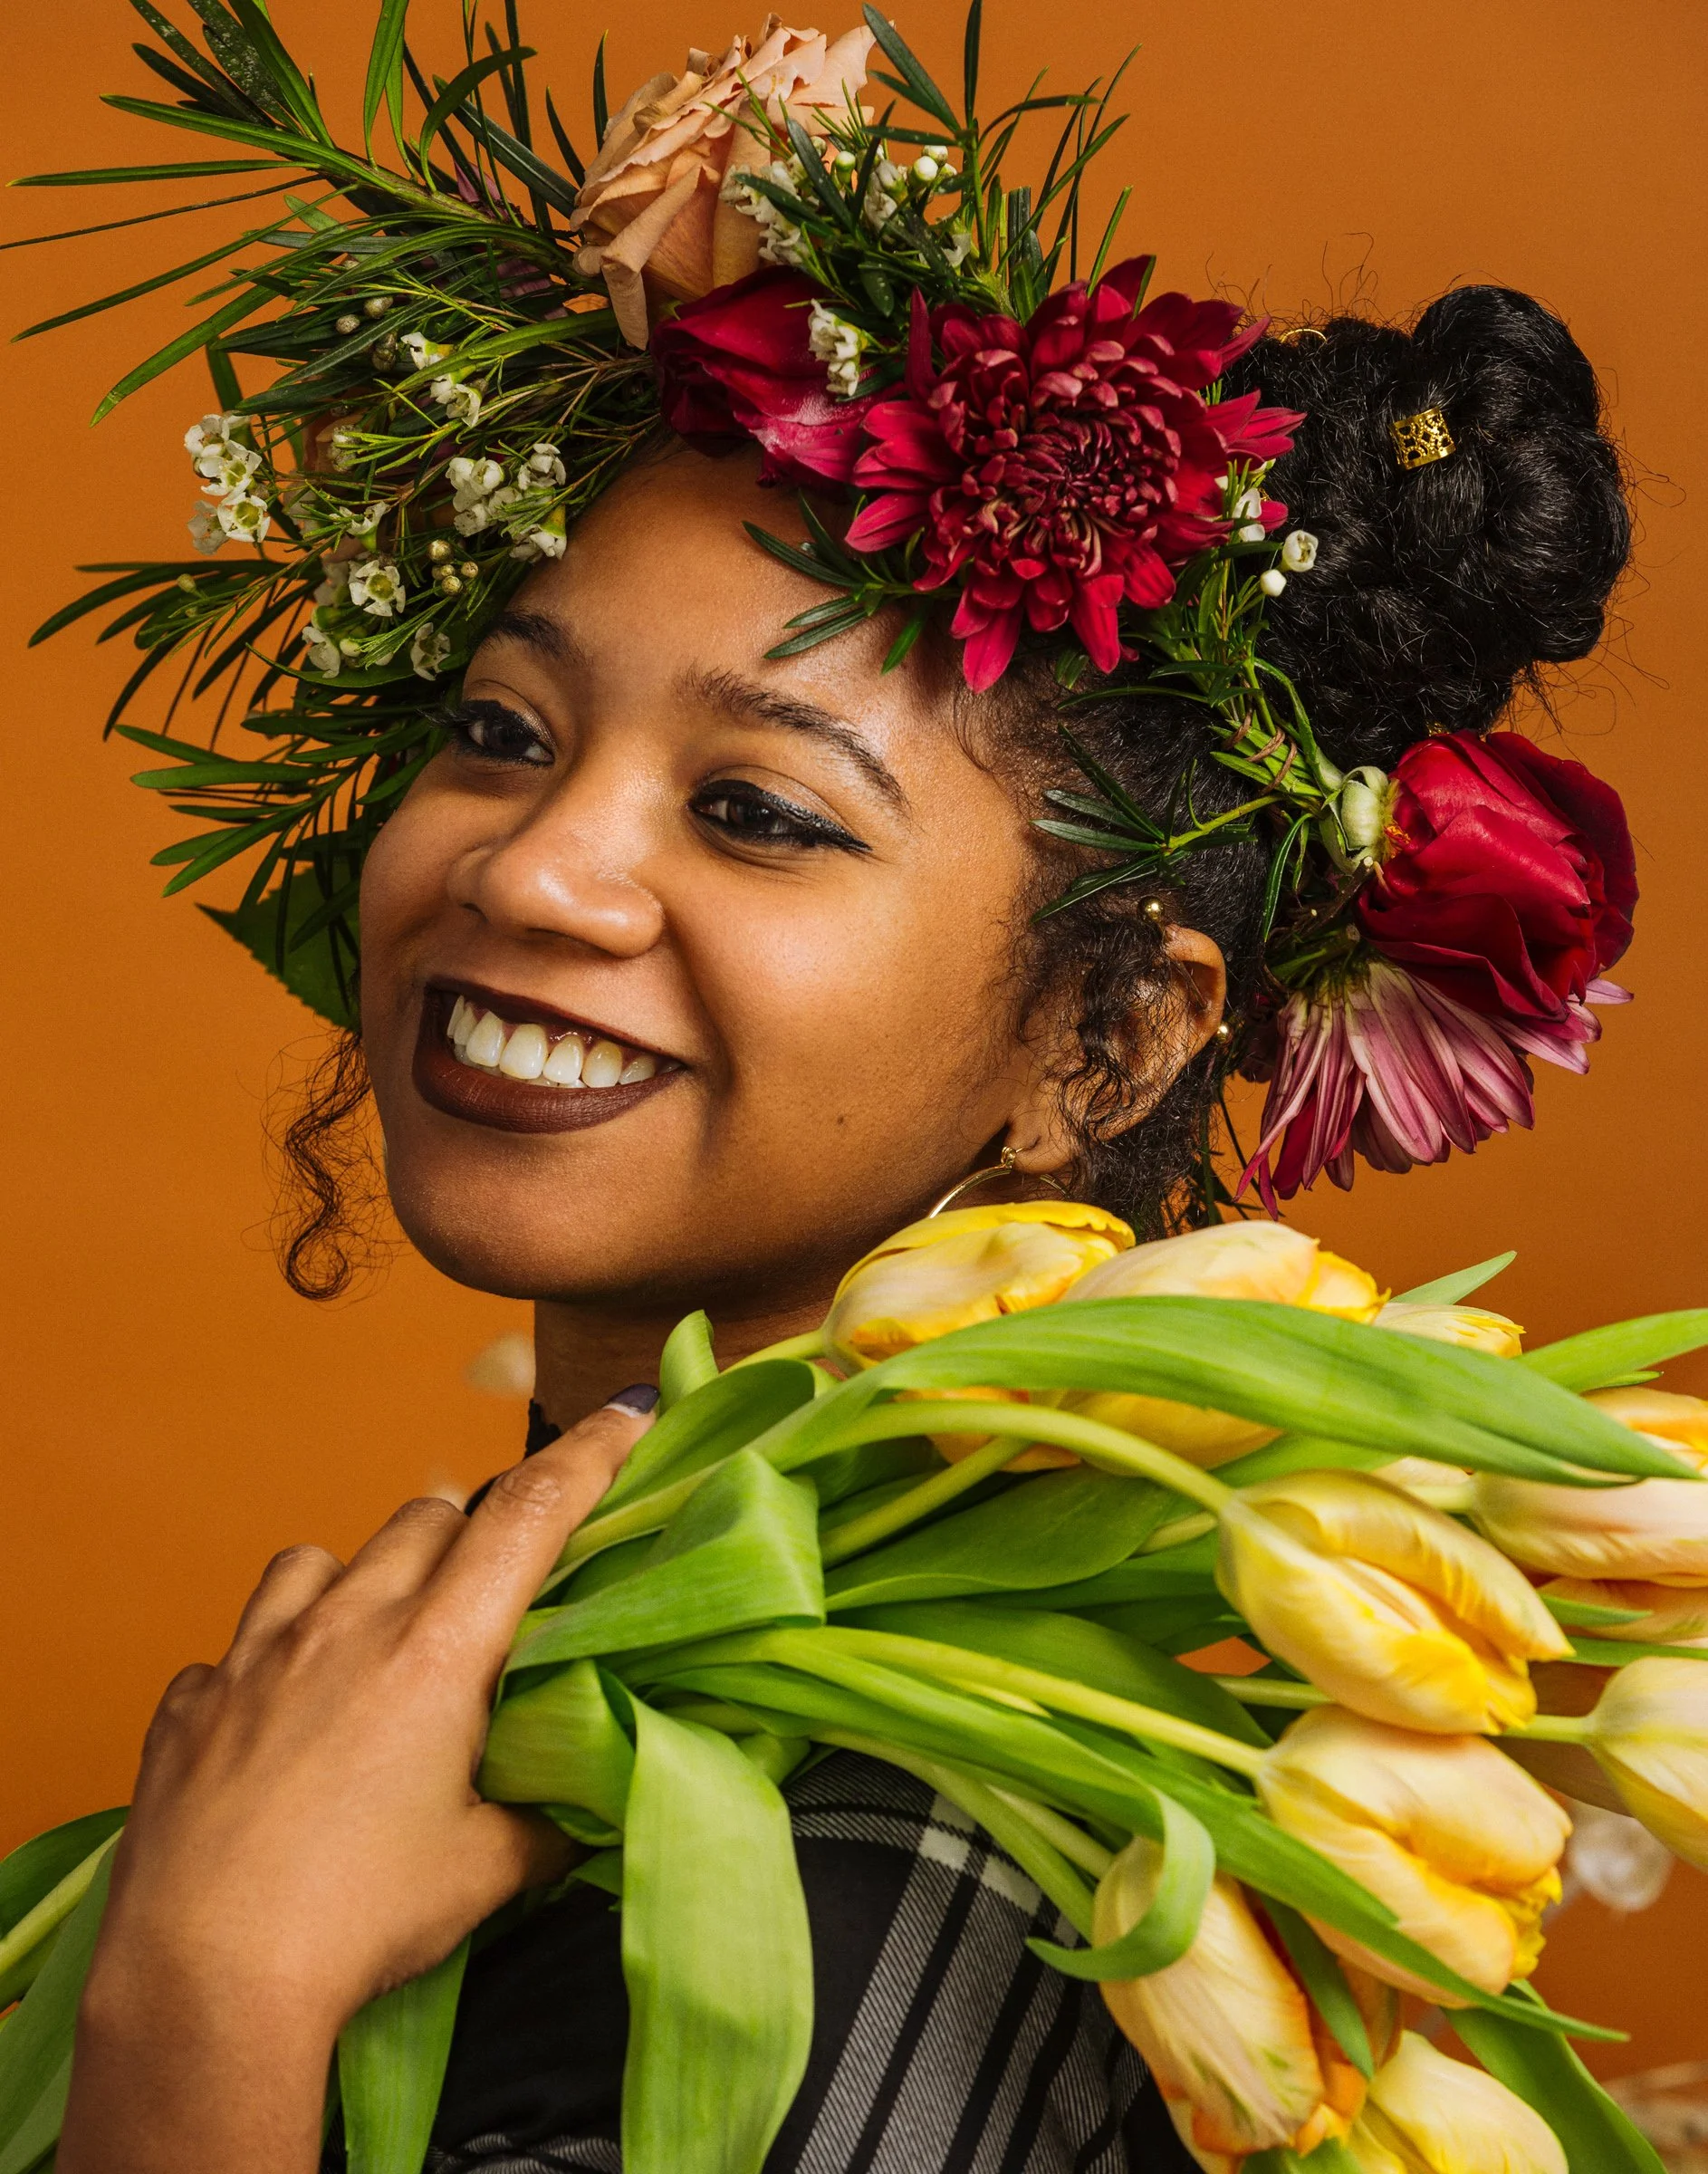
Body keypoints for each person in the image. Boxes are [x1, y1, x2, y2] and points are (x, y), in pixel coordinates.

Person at [28, 14, 1634, 2172]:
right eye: (503, 730)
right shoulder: (498, 1728)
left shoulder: (933, 1867)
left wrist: (200, 2022)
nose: (524, 867)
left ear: (1107, 1046)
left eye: (758, 814)